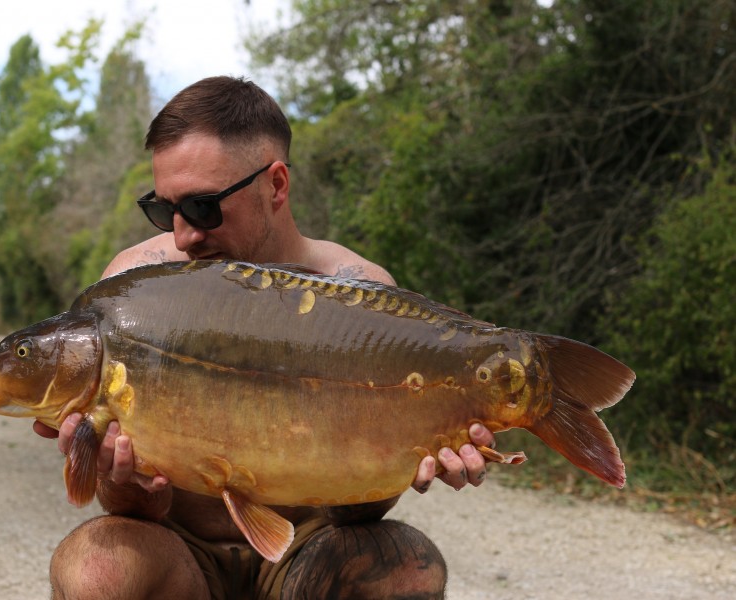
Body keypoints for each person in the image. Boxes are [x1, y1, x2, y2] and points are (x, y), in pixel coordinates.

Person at [34, 76, 495, 599]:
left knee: (407, 571)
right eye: (165, 210)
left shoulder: (360, 299)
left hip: (306, 554)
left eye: (204, 207)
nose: (183, 235)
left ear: (276, 185)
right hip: (181, 558)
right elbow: (128, 513)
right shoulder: (132, 289)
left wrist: (408, 457)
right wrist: (124, 482)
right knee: (95, 572)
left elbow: (356, 515)